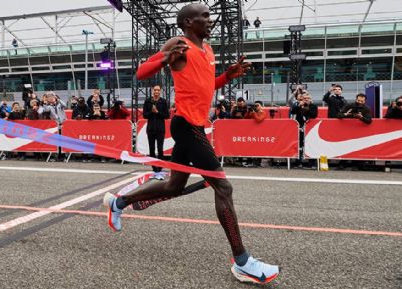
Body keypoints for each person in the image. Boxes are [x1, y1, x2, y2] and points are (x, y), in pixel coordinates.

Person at [102, 3, 279, 285]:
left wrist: (227, 77)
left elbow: (205, 85)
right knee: (223, 187)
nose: (211, 20)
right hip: (186, 126)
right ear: (187, 22)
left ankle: (118, 202)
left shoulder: (207, 50)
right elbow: (141, 73)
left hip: (195, 125)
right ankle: (243, 262)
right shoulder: (179, 43)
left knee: (174, 186)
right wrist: (164, 59)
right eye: (205, 16)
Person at [143, 85, 170, 180]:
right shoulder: (147, 101)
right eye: (155, 90)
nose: (156, 92)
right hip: (150, 129)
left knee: (160, 149)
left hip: (160, 129)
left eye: (158, 90)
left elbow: (167, 115)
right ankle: (154, 168)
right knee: (151, 149)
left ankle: (160, 168)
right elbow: (145, 115)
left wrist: (157, 112)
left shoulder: (163, 101)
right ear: (152, 90)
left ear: (160, 91)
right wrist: (152, 112)